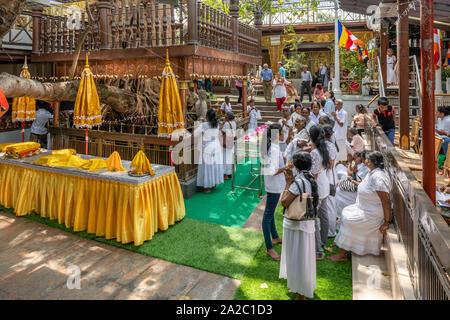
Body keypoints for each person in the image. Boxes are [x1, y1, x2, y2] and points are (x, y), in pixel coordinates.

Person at [329, 151, 392, 261]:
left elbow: (385, 200)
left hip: (372, 214)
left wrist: (386, 222)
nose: (365, 160)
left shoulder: (378, 177)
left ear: (370, 163)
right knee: (346, 212)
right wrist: (353, 181)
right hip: (363, 208)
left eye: (367, 159)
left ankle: (342, 254)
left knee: (349, 220)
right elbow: (366, 186)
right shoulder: (372, 172)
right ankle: (342, 243)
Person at [280, 151, 319, 300]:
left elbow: (284, 202)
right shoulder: (310, 179)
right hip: (306, 224)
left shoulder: (298, 182)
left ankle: (301, 293)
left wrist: (288, 182)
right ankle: (299, 287)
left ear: (296, 166)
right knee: (303, 257)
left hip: (296, 225)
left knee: (297, 258)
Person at [262, 123, 286, 260]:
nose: (283, 135)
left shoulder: (272, 147)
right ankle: (269, 247)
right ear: (278, 134)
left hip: (273, 185)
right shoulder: (274, 148)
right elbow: (272, 171)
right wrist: (286, 168)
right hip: (274, 185)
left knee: (270, 211)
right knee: (268, 214)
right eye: (282, 132)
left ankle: (275, 236)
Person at [309, 126, 331, 260]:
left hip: (317, 187)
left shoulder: (315, 153)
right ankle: (322, 242)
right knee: (324, 216)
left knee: (314, 219)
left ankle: (318, 251)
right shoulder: (325, 149)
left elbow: (314, 174)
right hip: (325, 184)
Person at [196, 109, 224, 193]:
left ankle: (207, 187)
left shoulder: (204, 125)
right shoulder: (217, 125)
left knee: (207, 167)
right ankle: (214, 184)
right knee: (214, 165)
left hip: (208, 147)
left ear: (207, 116)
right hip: (216, 145)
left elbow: (195, 133)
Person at [335, 151, 370, 220]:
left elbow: (353, 177)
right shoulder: (361, 165)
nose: (354, 160)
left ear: (361, 159)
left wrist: (350, 163)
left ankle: (340, 213)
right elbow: (352, 174)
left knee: (338, 191)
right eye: (353, 158)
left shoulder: (364, 167)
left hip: (358, 188)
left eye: (355, 158)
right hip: (355, 183)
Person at [322, 124, 338, 238]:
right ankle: (326, 229)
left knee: (330, 204)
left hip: (329, 176)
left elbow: (330, 164)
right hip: (328, 175)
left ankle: (330, 231)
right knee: (326, 204)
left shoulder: (329, 146)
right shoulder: (328, 145)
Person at [222, 112, 237, 180]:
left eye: (225, 116)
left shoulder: (226, 123)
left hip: (227, 142)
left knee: (225, 158)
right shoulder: (234, 123)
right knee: (230, 157)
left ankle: (226, 174)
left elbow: (223, 132)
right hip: (231, 142)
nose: (225, 117)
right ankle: (230, 173)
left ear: (228, 117)